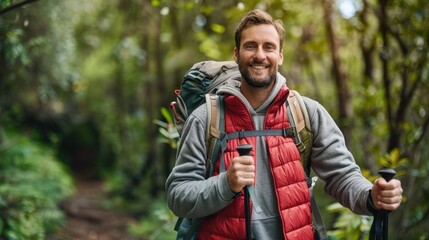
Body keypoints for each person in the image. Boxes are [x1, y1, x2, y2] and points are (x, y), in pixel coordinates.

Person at [165, 9, 403, 240]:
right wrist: (225, 184)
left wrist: (371, 196)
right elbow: (178, 195)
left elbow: (342, 176)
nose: (260, 55)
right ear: (236, 54)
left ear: (280, 55)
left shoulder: (305, 114)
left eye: (269, 47)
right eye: (251, 46)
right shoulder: (206, 118)